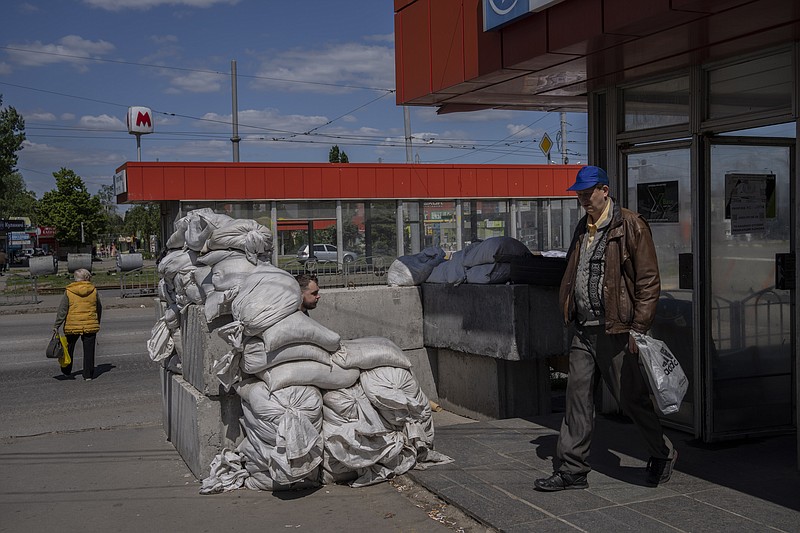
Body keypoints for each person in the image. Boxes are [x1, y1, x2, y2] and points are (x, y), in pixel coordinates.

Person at [534, 166, 676, 492]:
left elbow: (649, 281)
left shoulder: (630, 224)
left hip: (618, 330)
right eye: (579, 194)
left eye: (587, 193)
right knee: (577, 400)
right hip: (584, 329)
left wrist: (638, 328)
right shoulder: (584, 227)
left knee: (632, 400)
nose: (582, 199)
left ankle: (662, 453)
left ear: (605, 190)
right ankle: (572, 470)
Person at [53, 268, 102, 380]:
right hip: (90, 324)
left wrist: (57, 325)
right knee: (89, 350)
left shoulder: (69, 291)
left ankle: (66, 370)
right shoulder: (93, 290)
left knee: (69, 348)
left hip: (72, 325)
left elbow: (63, 310)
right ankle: (88, 375)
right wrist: (97, 321)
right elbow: (99, 308)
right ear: (87, 278)